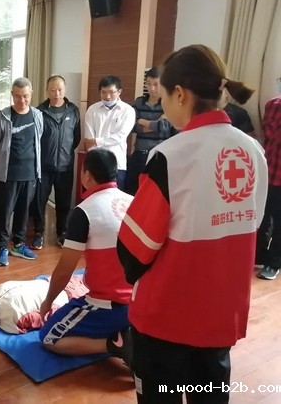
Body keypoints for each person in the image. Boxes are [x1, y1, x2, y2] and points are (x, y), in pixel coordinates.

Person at [117, 45, 268, 403]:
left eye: (165, 96)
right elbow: (254, 223)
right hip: (222, 312)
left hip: (167, 316)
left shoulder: (170, 156)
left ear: (180, 94)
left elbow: (136, 248)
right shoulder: (254, 151)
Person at [38, 149, 133, 365]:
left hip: (109, 306)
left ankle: (117, 344)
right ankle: (129, 333)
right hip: (142, 302)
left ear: (87, 175)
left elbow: (64, 270)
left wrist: (48, 301)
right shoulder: (135, 201)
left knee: (49, 337)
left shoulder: (84, 211)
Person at [0, 77, 43, 267]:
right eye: (18, 96)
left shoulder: (37, 116)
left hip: (30, 172)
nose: (22, 100)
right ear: (12, 95)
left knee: (23, 210)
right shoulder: (2, 117)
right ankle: (2, 247)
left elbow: (38, 139)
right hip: (8, 173)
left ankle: (18, 244)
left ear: (31, 95)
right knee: (5, 211)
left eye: (26, 96)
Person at [30, 75, 81, 250]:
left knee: (64, 202)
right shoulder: (39, 111)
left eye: (60, 89)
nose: (56, 93)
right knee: (39, 202)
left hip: (65, 165)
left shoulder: (73, 111)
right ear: (47, 91)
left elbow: (76, 138)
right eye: (53, 90)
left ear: (65, 90)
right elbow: (35, 138)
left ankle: (62, 233)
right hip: (43, 166)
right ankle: (38, 233)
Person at [0, 275, 88, 334]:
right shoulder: (14, 320)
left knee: (89, 276)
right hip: (66, 296)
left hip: (52, 282)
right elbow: (47, 315)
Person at [126, 67, 175, 195]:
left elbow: (165, 128)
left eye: (156, 84)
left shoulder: (168, 103)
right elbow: (130, 126)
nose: (152, 88)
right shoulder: (139, 102)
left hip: (159, 156)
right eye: (148, 84)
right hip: (139, 154)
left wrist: (142, 121)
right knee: (132, 191)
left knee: (152, 194)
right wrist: (156, 123)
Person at [84, 75, 135, 189]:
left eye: (111, 92)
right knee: (94, 198)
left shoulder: (128, 111)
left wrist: (97, 141)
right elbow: (89, 140)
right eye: (103, 92)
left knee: (114, 198)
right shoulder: (92, 110)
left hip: (117, 164)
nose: (107, 96)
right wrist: (95, 158)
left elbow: (120, 137)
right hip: (95, 164)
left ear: (119, 91)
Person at [256, 77, 281, 280]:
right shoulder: (272, 105)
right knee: (261, 218)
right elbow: (268, 135)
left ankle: (273, 264)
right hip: (268, 171)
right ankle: (258, 255)